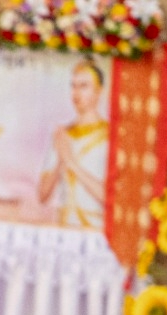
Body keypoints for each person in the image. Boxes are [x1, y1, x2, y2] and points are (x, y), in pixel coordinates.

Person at [38, 59, 109, 231]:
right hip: (64, 228)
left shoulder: (109, 136)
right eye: (74, 86)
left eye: (84, 86)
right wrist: (60, 164)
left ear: (98, 92)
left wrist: (71, 163)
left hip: (96, 230)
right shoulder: (62, 135)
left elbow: (110, 197)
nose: (76, 93)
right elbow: (42, 195)